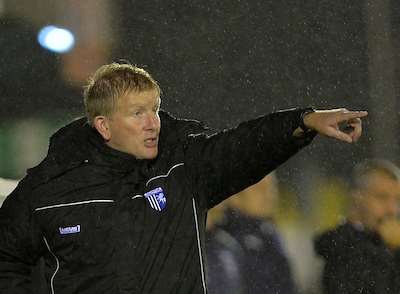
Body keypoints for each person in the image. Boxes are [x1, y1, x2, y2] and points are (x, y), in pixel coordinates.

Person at [0, 62, 367, 294]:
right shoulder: (49, 190)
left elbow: (243, 146)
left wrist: (302, 122)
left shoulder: (183, 168)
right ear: (104, 126)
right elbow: (7, 258)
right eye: (137, 113)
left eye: (155, 109)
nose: (152, 122)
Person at [314, 159, 400, 294]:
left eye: (397, 200)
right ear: (357, 198)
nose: (392, 210)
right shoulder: (340, 247)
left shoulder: (386, 243)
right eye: (382, 197)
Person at [210, 173, 297, 294]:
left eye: (273, 187)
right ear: (235, 196)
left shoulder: (269, 232)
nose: (269, 194)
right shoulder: (224, 236)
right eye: (260, 188)